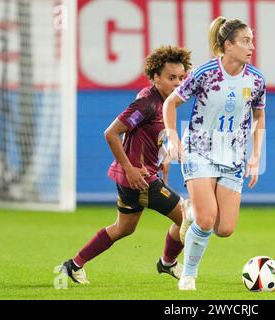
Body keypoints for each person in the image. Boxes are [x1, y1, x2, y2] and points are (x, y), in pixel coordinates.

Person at [59, 45, 192, 284]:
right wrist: (130, 168)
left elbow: (151, 134)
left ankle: (74, 264)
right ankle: (168, 263)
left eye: (182, 78)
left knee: (124, 228)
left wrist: (163, 158)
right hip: (139, 178)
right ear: (155, 77)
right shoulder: (147, 104)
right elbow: (111, 133)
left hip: (135, 176)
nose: (178, 83)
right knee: (188, 217)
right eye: (171, 78)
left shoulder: (163, 101)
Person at [163, 16, 266, 290]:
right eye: (245, 41)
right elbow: (170, 104)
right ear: (228, 45)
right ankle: (188, 275)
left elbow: (259, 117)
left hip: (233, 157)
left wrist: (255, 156)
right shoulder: (205, 74)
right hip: (199, 151)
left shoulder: (256, 80)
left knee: (225, 229)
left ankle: (189, 213)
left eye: (252, 41)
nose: (251, 46)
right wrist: (172, 137)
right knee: (207, 219)